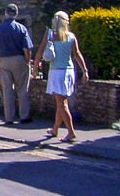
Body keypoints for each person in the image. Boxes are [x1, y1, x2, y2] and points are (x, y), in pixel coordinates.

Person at [34, 11, 89, 142]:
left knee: (61, 103)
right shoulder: (71, 36)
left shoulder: (50, 35)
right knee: (60, 102)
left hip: (57, 72)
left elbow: (40, 51)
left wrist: (35, 68)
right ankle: (55, 129)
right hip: (69, 71)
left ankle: (71, 132)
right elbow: (77, 54)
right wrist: (85, 71)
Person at [0, 3, 34, 124]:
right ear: (16, 14)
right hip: (19, 59)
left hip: (3, 60)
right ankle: (24, 116)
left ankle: (9, 117)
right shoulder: (21, 28)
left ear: (6, 13)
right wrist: (28, 61)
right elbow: (27, 48)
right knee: (22, 88)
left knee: (7, 89)